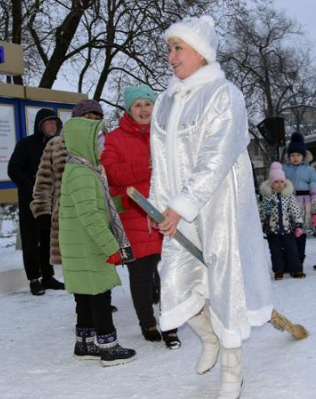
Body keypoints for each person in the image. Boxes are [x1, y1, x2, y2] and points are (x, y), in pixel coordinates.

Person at [150, 15, 273, 399]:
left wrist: (182, 204)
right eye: (169, 49)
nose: (170, 57)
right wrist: (161, 208)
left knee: (226, 285)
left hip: (220, 207)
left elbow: (216, 158)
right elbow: (160, 162)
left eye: (177, 48)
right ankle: (210, 338)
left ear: (201, 52)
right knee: (173, 281)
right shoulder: (165, 102)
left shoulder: (224, 94)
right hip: (176, 210)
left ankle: (232, 368)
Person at [100, 85, 181, 349]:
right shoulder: (114, 139)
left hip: (167, 214)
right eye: (138, 105)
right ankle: (147, 322)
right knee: (142, 274)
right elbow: (111, 175)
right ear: (129, 110)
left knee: (170, 275)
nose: (144, 109)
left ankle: (171, 326)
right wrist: (143, 165)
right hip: (136, 215)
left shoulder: (165, 135)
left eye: (148, 104)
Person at [59, 116, 136, 366]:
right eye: (98, 140)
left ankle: (85, 344)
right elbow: (89, 214)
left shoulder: (81, 168)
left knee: (84, 294)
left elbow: (93, 205)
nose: (102, 145)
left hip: (81, 244)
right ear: (84, 142)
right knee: (100, 294)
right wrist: (111, 246)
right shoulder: (82, 172)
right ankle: (108, 347)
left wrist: (118, 204)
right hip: (89, 245)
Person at [31, 99, 105, 273]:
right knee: (78, 272)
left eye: (96, 118)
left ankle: (103, 301)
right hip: (67, 217)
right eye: (87, 117)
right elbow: (43, 181)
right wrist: (42, 211)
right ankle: (84, 301)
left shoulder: (105, 145)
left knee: (103, 267)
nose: (91, 122)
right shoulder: (56, 145)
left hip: (99, 216)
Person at [8, 107, 65, 295]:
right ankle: (34, 279)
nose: (53, 126)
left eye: (55, 122)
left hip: (52, 202)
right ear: (40, 125)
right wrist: (32, 188)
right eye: (49, 122)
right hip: (31, 203)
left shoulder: (59, 145)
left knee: (49, 239)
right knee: (31, 241)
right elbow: (14, 169)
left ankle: (48, 277)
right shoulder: (26, 145)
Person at [283, 132, 316, 267]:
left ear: (303, 156)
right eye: (292, 155)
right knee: (289, 235)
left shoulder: (310, 170)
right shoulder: (283, 169)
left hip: (304, 206)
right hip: (287, 205)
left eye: (298, 155)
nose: (295, 158)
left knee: (301, 235)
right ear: (289, 156)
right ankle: (289, 261)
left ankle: (299, 260)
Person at [259, 162, 305, 280]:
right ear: (271, 183)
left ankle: (296, 269)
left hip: (287, 229)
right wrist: (272, 203)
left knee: (292, 250)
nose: (279, 185)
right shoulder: (267, 197)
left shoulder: (288, 196)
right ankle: (278, 270)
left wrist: (298, 224)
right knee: (275, 252)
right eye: (276, 182)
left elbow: (295, 210)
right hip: (272, 231)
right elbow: (263, 212)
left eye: (281, 182)